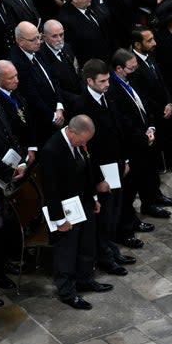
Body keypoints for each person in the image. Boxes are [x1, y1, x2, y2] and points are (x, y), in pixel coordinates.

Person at [39, 115, 107, 310]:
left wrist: (93, 198)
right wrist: (59, 220)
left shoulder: (79, 143)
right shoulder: (52, 150)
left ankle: (85, 279)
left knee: (87, 243)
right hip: (64, 207)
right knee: (66, 251)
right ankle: (67, 291)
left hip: (83, 200)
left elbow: (87, 171)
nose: (84, 144)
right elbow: (50, 188)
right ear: (71, 131)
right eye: (82, 140)